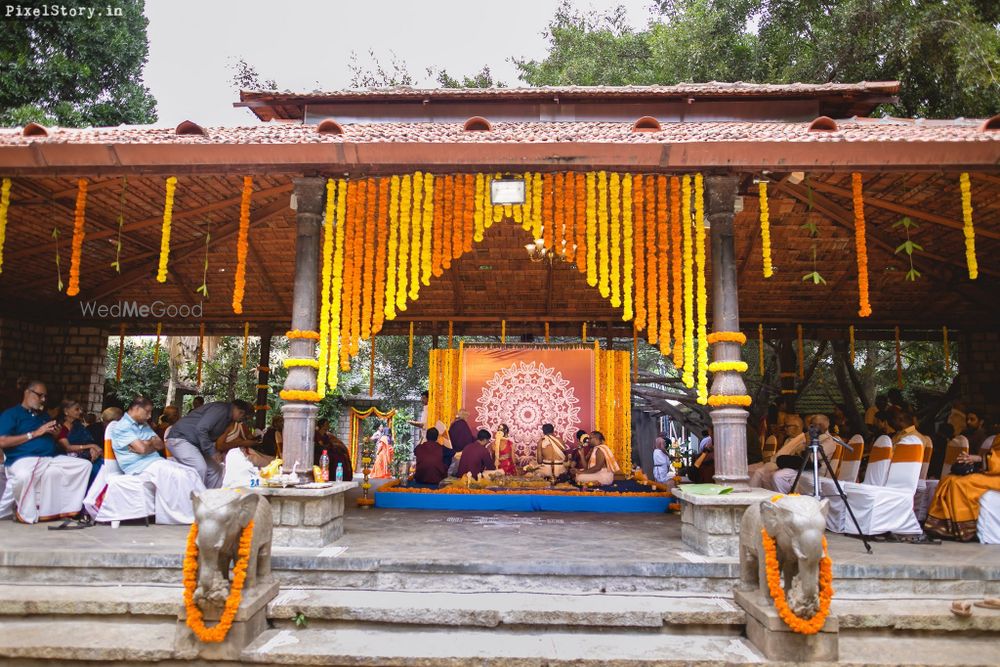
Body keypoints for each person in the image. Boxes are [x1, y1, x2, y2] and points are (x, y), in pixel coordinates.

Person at [0, 381, 91, 524]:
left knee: (85, 466)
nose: (43, 399)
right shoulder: (11, 414)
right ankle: (24, 514)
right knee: (23, 476)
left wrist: (55, 434)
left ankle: (59, 511)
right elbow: (2, 441)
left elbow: (51, 437)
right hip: (23, 458)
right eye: (40, 395)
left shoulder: (43, 416)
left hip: (50, 458)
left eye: (45, 396)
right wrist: (34, 433)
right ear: (27, 392)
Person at [106, 396, 205, 524]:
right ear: (136, 409)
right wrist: (147, 444)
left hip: (154, 463)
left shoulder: (143, 424)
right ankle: (186, 515)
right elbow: (142, 449)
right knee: (179, 476)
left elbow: (159, 444)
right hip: (139, 468)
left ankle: (203, 512)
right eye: (147, 412)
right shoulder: (122, 427)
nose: (149, 416)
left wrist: (146, 444)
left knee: (190, 472)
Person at [924, 432, 1000, 541]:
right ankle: (945, 528)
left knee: (961, 484)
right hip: (992, 473)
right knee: (949, 479)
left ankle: (968, 530)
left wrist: (979, 459)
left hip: (996, 477)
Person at [166, 399, 251, 489]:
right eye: (242, 414)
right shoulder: (221, 409)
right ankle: (192, 500)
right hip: (180, 438)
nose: (242, 418)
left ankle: (209, 498)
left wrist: (216, 452)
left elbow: (213, 439)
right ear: (237, 410)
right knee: (200, 467)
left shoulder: (228, 418)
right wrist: (212, 452)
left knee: (216, 470)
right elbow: (201, 429)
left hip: (193, 444)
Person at [55, 399, 103, 486]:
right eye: (77, 409)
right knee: (92, 469)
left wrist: (92, 449)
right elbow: (68, 448)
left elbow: (87, 440)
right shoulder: (59, 426)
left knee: (101, 464)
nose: (80, 411)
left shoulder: (78, 426)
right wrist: (91, 446)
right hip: (65, 457)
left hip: (83, 455)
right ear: (66, 411)